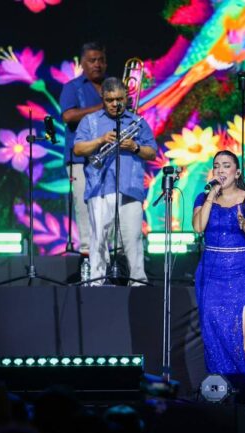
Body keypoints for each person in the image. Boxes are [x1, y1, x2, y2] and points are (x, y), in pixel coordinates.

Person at [192, 150, 245, 403]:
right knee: (212, 329)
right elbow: (198, 227)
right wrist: (211, 197)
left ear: (237, 173)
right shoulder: (203, 197)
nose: (220, 170)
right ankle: (220, 392)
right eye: (217, 166)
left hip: (241, 273)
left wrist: (243, 223)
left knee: (240, 332)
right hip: (210, 274)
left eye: (226, 166)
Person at [73, 77, 156, 285]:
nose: (115, 104)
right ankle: (97, 281)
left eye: (119, 99)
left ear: (126, 97)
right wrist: (101, 140)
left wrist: (135, 147)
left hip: (130, 188)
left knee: (133, 238)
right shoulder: (90, 121)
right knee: (99, 238)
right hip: (100, 187)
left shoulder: (137, 122)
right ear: (102, 99)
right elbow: (78, 149)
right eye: (110, 100)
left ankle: (137, 282)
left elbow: (152, 153)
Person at [60, 42, 107, 254]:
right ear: (83, 63)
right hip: (80, 159)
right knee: (84, 205)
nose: (97, 64)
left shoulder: (112, 86)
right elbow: (68, 116)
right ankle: (87, 253)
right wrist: (103, 107)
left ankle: (110, 254)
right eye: (92, 60)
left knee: (110, 206)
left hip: (109, 157)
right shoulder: (72, 87)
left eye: (101, 60)